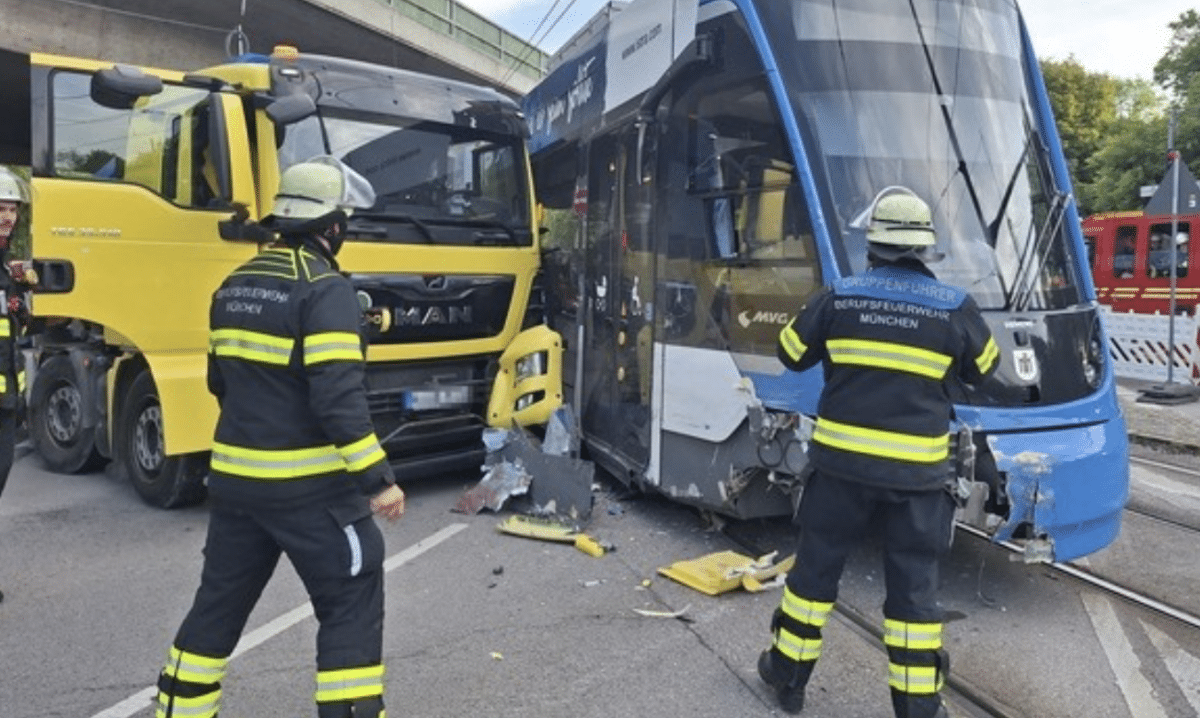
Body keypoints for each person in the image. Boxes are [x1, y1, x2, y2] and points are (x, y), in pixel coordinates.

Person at [154, 156, 406, 718]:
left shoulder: (234, 284)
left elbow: (219, 381)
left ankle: (178, 711)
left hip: (235, 486)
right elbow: (338, 401)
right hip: (312, 491)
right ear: (332, 227)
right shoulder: (326, 290)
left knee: (217, 605)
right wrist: (379, 481)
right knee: (352, 597)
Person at [757, 187, 999, 718]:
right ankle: (917, 707)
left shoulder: (838, 297)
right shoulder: (954, 306)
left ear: (872, 245)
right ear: (927, 249)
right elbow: (986, 370)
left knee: (813, 577)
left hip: (839, 471)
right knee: (914, 595)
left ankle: (788, 679)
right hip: (918, 481)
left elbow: (790, 353)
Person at [0, 167, 32, 606]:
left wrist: (20, 307)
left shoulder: (8, 269)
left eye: (12, 209)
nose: (8, 217)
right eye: (1, 209)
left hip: (6, 401)